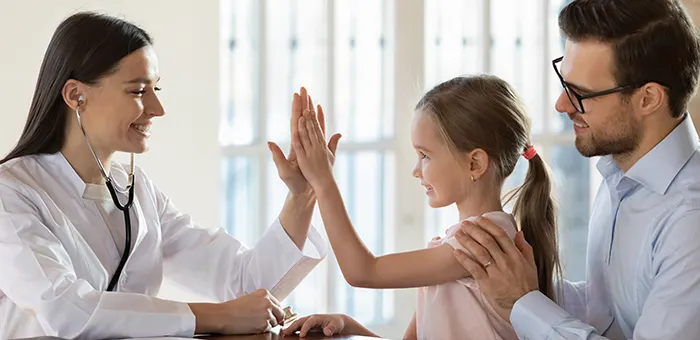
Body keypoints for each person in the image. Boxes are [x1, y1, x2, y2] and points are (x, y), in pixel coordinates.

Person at [0, 12, 340, 340]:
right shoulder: (12, 191)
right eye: (137, 91)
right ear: (76, 95)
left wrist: (302, 195)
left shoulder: (139, 194)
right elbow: (65, 309)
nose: (157, 109)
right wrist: (216, 317)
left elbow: (247, 284)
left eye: (155, 90)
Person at [452, 0, 700, 339]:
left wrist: (522, 302)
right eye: (564, 81)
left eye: (580, 93)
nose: (561, 104)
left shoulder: (690, 219)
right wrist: (511, 284)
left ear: (648, 99)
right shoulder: (621, 175)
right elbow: (610, 311)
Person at [280, 75, 562, 339]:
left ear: (474, 163)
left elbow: (363, 271)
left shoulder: (481, 245)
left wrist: (323, 181)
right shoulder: (459, 245)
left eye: (425, 155)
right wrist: (347, 324)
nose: (416, 170)